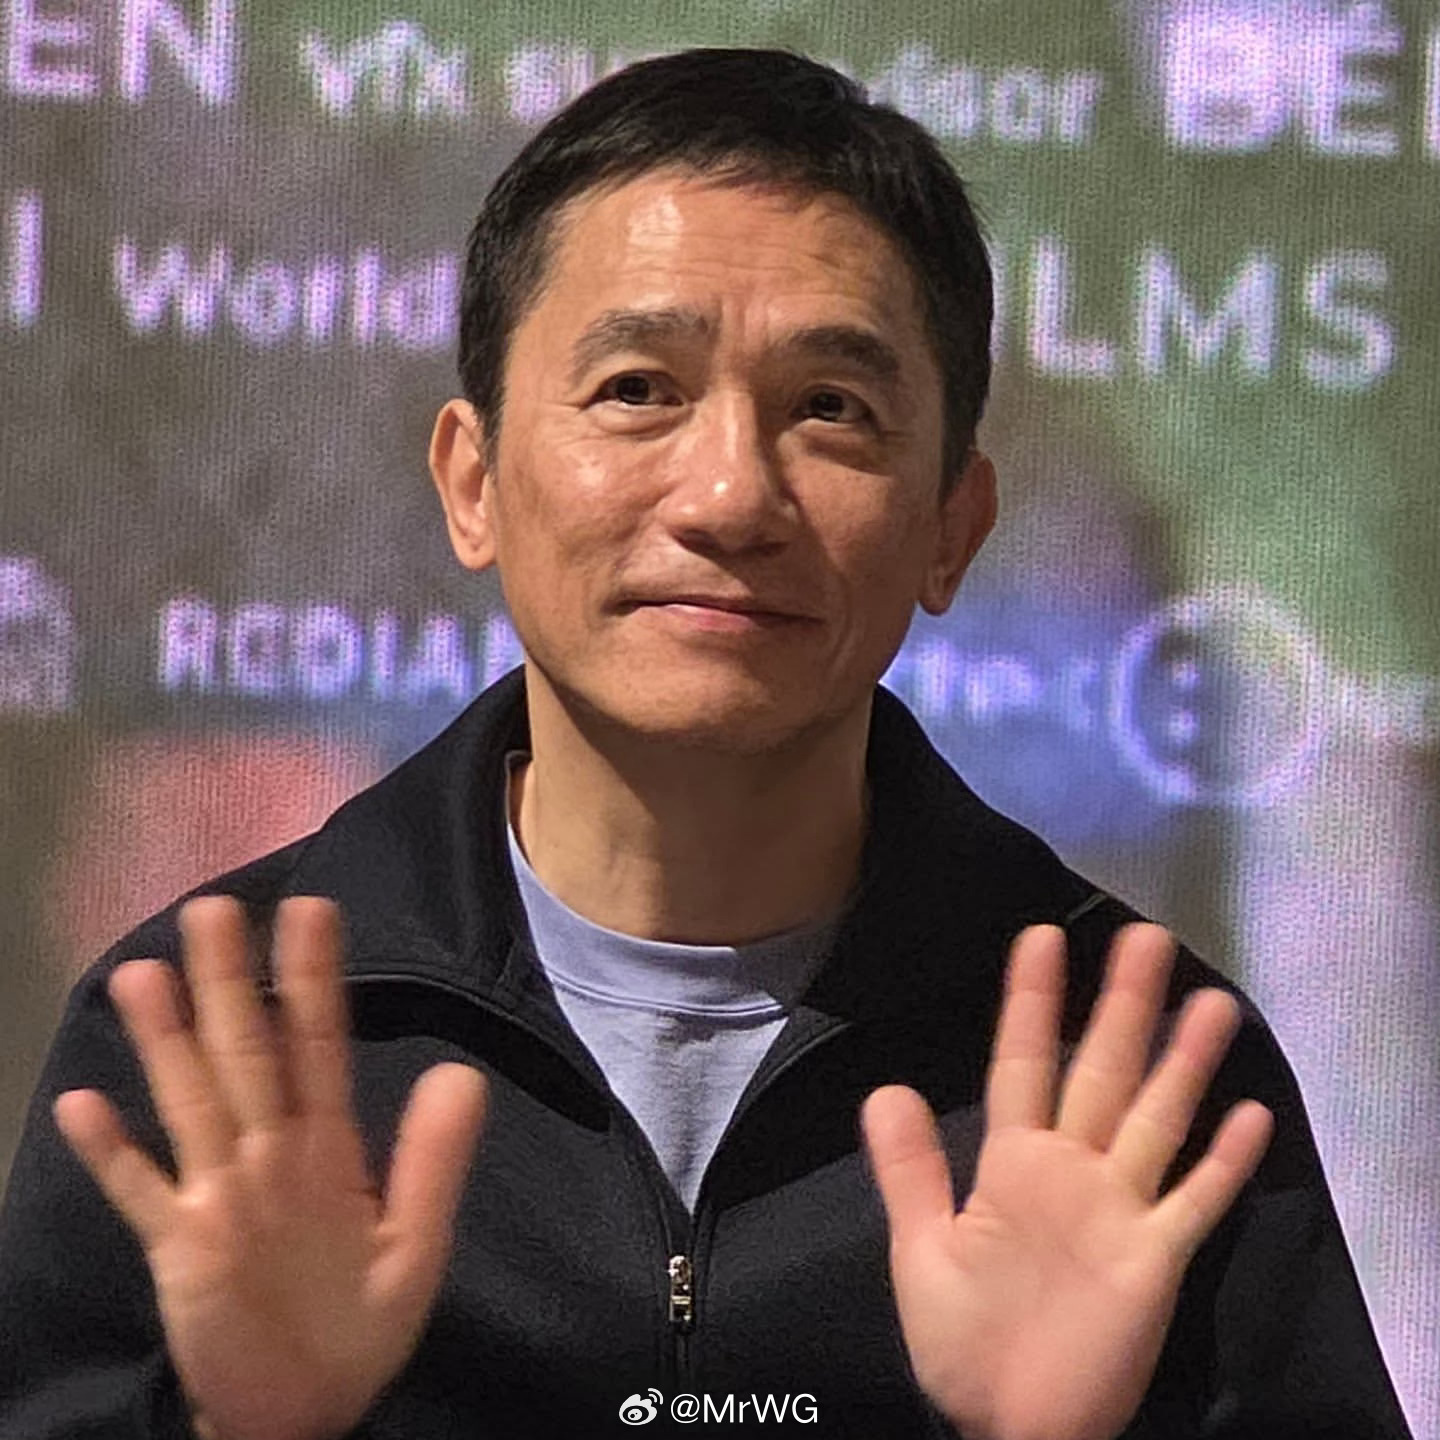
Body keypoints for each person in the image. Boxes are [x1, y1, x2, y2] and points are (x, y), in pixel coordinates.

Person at [0, 48, 1412, 1440]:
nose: (731, 494)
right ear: (474, 481)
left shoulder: (1141, 1079)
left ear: (951, 527)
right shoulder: (216, 1048)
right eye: (637, 389)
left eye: (831, 409)